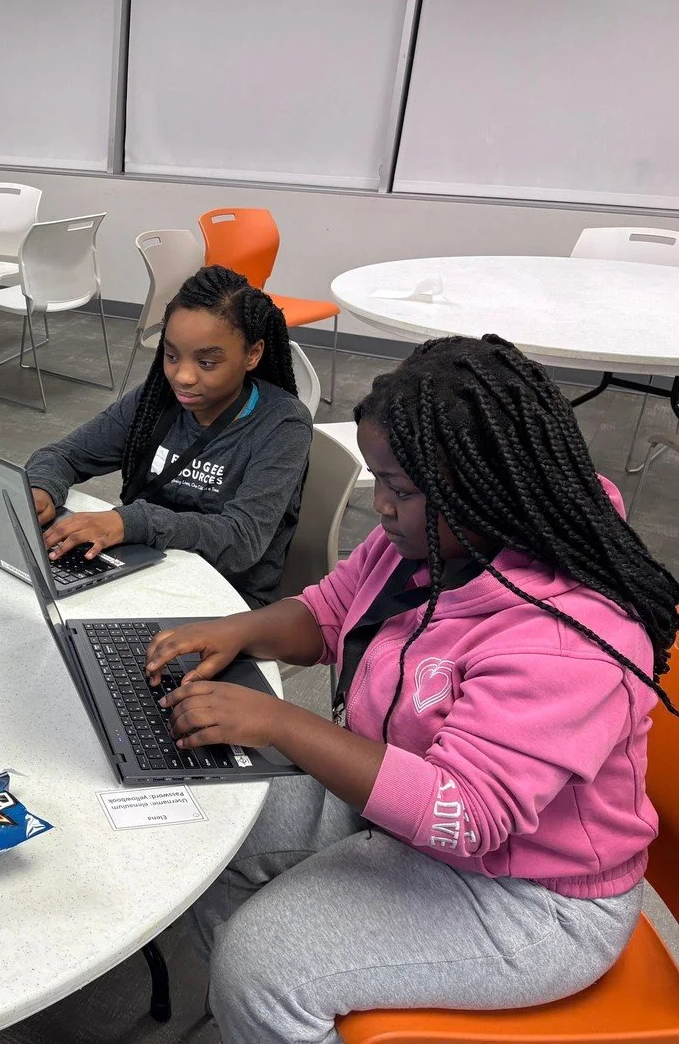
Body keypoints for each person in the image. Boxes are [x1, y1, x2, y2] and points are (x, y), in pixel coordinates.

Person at [143, 334, 679, 1043]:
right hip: (412, 815)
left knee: (261, 966)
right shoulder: (432, 538)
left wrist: (281, 723)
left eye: (399, 490)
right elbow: (332, 611)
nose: (383, 508)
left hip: (533, 894)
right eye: (380, 483)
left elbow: (470, 815)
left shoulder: (564, 635)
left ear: (487, 490)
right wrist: (240, 632)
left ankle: (270, 1001)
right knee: (206, 838)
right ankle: (269, 1017)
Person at [24, 265, 312, 607]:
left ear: (253, 354)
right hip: (143, 570)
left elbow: (242, 539)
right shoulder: (155, 400)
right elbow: (66, 455)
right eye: (171, 355)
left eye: (206, 363)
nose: (183, 376)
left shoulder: (282, 425)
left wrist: (135, 522)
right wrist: (42, 486)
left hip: (229, 597)